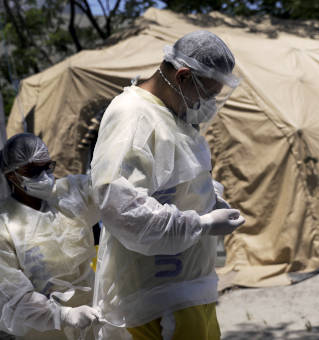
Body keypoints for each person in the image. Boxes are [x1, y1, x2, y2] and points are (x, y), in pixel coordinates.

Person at [90, 30, 245, 340]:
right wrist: (201, 224)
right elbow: (120, 206)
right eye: (207, 94)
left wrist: (209, 199)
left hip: (187, 287)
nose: (208, 105)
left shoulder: (173, 115)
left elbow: (174, 180)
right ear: (183, 75)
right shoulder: (133, 116)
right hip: (157, 300)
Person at [0, 133, 101, 340]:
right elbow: (9, 295)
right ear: (11, 175)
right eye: (33, 171)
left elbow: (106, 190)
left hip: (93, 316)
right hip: (44, 332)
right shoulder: (1, 228)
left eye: (47, 167)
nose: (44, 177)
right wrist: (63, 315)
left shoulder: (69, 195)